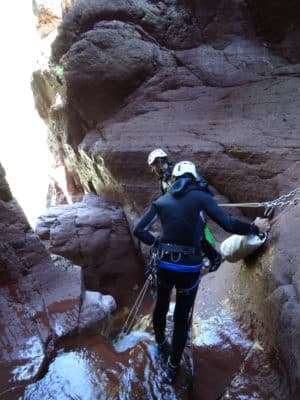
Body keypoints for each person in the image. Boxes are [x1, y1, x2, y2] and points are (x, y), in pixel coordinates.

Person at [134, 161, 270, 383]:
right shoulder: (201, 197)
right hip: (189, 267)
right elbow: (227, 223)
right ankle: (173, 366)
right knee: (180, 318)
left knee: (161, 303)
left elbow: (139, 230)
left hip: (165, 264)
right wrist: (255, 228)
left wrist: (157, 243)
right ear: (194, 177)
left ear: (175, 179)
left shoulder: (162, 200)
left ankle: (159, 342)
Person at [147, 149, 221, 272]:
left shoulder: (181, 170)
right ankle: (203, 258)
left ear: (159, 163)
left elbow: (202, 183)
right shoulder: (163, 180)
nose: (153, 170)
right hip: (181, 211)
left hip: (195, 206)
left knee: (198, 235)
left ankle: (215, 257)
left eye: (153, 166)